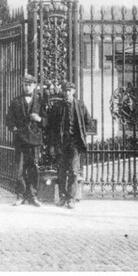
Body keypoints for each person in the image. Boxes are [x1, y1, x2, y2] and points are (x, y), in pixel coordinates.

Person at [46, 81, 93, 209]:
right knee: (61, 171)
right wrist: (52, 145)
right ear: (63, 92)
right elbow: (51, 128)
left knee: (73, 170)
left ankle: (71, 198)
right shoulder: (57, 107)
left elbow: (89, 122)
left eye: (69, 90)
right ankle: (62, 196)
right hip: (61, 143)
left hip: (75, 144)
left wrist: (83, 134)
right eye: (65, 90)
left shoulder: (80, 105)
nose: (67, 93)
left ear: (74, 91)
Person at [7, 73, 46, 207]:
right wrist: (14, 129)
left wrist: (40, 119)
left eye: (30, 85)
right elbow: (9, 120)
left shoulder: (41, 101)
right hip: (21, 140)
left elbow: (47, 121)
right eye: (25, 85)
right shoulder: (16, 101)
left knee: (34, 167)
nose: (27, 87)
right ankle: (20, 195)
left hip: (35, 140)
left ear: (35, 86)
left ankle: (33, 195)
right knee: (20, 168)